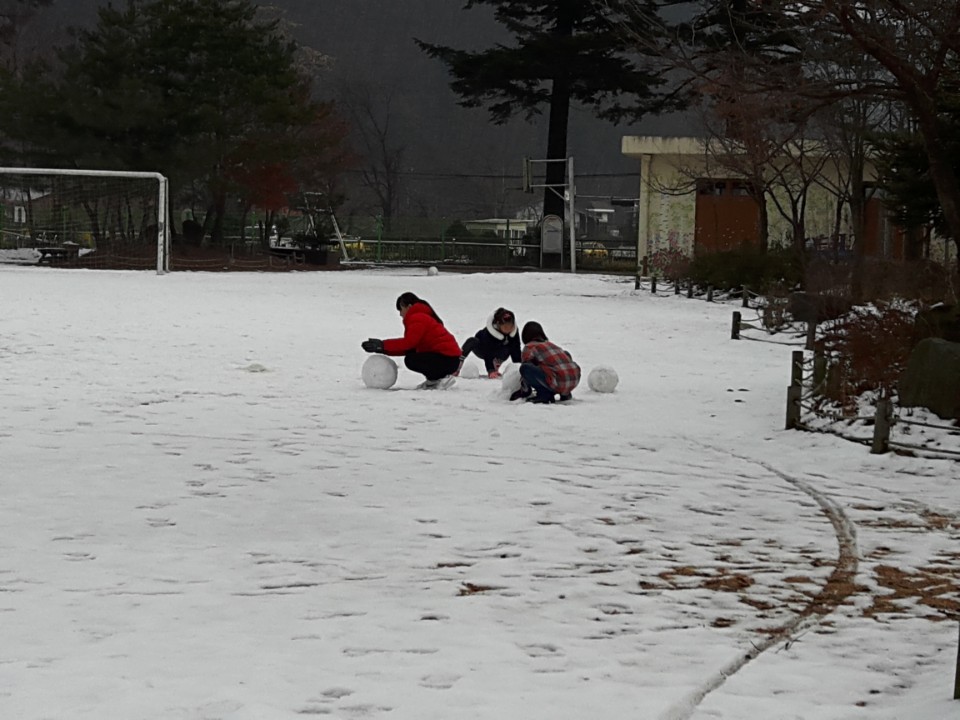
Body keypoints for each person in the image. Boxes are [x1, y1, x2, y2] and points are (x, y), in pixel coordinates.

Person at [361, 292, 461, 389]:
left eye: (400, 309)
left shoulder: (418, 318)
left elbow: (408, 343)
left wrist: (382, 345)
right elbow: (410, 348)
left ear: (409, 306)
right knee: (412, 357)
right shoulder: (421, 316)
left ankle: (440, 378)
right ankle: (435, 379)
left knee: (411, 360)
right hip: (450, 359)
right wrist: (382, 348)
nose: (400, 314)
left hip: (448, 359)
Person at [510, 321, 581, 403]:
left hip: (558, 382)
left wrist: (524, 390)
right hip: (574, 380)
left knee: (525, 367)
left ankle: (544, 394)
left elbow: (526, 369)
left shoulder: (529, 347)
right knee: (560, 360)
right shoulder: (551, 345)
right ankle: (565, 393)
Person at [459, 307, 522, 378]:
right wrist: (490, 370)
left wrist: (519, 368)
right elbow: (488, 353)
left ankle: (496, 363)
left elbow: (516, 350)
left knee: (513, 347)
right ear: (498, 325)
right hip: (483, 349)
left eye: (511, 327)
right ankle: (458, 363)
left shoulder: (514, 332)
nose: (508, 330)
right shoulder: (489, 333)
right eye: (505, 327)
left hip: (502, 352)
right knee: (472, 341)